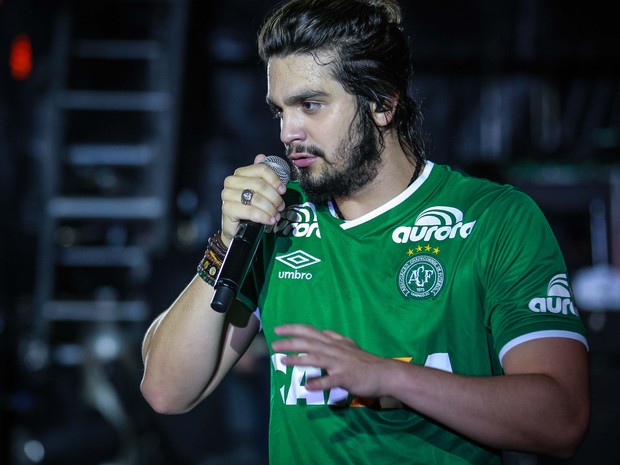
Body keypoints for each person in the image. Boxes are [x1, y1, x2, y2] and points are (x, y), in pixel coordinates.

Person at [140, 1, 590, 463]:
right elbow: (166, 392)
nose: (288, 132)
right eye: (280, 111)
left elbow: (561, 419)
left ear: (382, 104)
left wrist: (386, 377)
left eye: (310, 105)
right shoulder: (278, 218)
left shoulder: (495, 217)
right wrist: (227, 241)